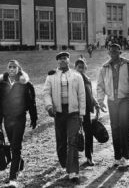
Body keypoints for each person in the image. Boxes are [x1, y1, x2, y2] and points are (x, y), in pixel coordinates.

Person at [96, 44, 129, 168]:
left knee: (124, 128)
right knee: (115, 128)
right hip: (112, 101)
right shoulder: (104, 67)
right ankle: (117, 157)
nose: (114, 53)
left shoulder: (128, 64)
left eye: (116, 51)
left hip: (125, 100)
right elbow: (100, 86)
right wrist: (100, 101)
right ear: (109, 53)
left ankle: (127, 158)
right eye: (111, 51)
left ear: (120, 52)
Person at [43, 52, 86, 182]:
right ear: (57, 62)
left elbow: (81, 95)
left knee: (72, 140)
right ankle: (64, 162)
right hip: (59, 113)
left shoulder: (76, 75)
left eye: (65, 58)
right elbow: (46, 93)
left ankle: (73, 171)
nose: (63, 61)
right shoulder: (51, 76)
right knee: (61, 141)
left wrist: (82, 113)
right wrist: (49, 106)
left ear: (69, 60)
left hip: (73, 112)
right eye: (60, 59)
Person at [0, 60, 37, 188]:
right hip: (7, 119)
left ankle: (12, 179)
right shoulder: (1, 84)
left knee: (16, 147)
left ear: (19, 69)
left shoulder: (25, 83)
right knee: (13, 145)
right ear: (7, 69)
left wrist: (34, 117)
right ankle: (19, 163)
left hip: (20, 119)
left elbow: (31, 102)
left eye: (14, 67)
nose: (12, 69)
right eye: (10, 67)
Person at [74, 56, 106, 166]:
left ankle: (89, 156)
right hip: (75, 110)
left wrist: (96, 104)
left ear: (85, 68)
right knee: (74, 133)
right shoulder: (72, 79)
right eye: (79, 67)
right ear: (75, 68)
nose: (81, 69)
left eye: (83, 67)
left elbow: (90, 95)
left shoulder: (87, 79)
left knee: (88, 133)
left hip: (86, 110)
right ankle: (74, 155)